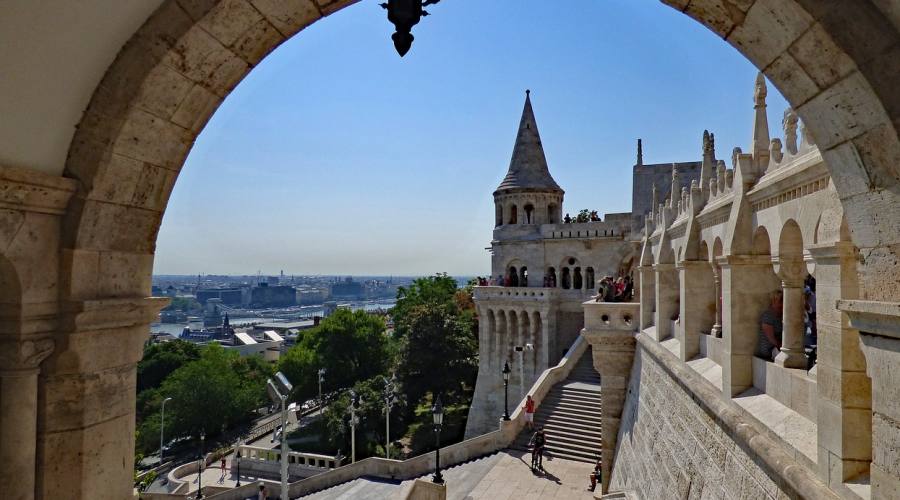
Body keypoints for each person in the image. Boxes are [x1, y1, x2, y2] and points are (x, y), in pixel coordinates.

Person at [756, 290, 784, 361]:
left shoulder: (780, 315)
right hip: (768, 350)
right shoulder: (768, 315)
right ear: (774, 301)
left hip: (777, 348)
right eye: (781, 300)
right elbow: (771, 339)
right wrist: (781, 347)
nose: (783, 303)